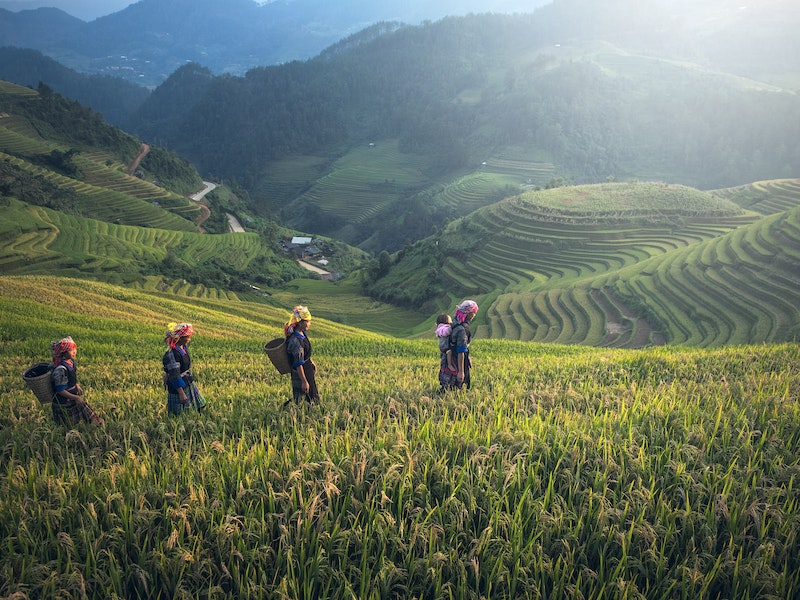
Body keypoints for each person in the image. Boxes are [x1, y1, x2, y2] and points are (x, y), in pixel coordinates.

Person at [50, 336, 103, 426]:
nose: (74, 352)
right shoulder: (60, 369)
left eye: (75, 349)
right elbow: (60, 390)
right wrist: (76, 397)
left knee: (86, 414)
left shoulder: (71, 362)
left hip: (72, 395)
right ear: (64, 353)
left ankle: (95, 424)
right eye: (71, 350)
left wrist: (76, 385)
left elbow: (70, 379)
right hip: (64, 400)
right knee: (68, 422)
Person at [162, 322, 207, 415]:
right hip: (178, 386)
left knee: (201, 405)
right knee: (178, 412)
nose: (189, 339)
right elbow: (174, 375)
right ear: (180, 338)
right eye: (188, 337)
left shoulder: (182, 347)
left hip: (188, 381)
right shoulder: (172, 354)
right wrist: (181, 393)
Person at [439, 300, 479, 392]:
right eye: (473, 313)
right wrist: (461, 372)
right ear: (469, 314)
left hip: (450, 359)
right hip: (458, 361)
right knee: (459, 388)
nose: (474, 315)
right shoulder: (462, 329)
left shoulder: (454, 324)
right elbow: (461, 350)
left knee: (449, 386)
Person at [283, 305, 319, 407]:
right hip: (300, 372)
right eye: (307, 321)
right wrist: (304, 381)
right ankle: (288, 412)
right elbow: (298, 363)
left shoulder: (302, 333)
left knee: (312, 396)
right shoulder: (295, 340)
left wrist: (310, 361)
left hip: (307, 369)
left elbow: (304, 354)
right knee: (300, 398)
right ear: (300, 322)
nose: (309, 324)